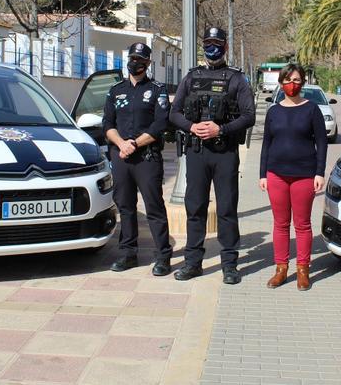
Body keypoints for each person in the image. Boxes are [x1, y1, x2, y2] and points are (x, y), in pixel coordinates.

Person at [169, 27, 256, 284]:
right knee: (195, 208)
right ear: (203, 45)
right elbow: (174, 113)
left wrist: (222, 128)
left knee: (227, 209)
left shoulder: (237, 79)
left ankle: (230, 265)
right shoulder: (191, 77)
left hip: (225, 152)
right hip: (197, 152)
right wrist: (191, 126)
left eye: (217, 43)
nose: (212, 48)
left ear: (225, 47)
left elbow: (249, 115)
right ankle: (193, 263)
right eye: (208, 43)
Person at [103, 42, 172, 276]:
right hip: (121, 156)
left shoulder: (157, 89)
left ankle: (163, 256)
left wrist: (134, 144)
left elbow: (160, 123)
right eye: (132, 58)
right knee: (126, 207)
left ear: (148, 63)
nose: (136, 63)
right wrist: (122, 144)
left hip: (147, 157)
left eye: (141, 59)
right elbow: (108, 125)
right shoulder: (115, 90)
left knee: (154, 207)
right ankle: (127, 253)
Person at [258, 63, 327, 291]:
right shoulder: (274, 111)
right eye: (288, 80)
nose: (292, 84)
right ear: (281, 83)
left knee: (303, 224)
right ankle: (280, 269)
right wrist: (262, 174)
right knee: (280, 223)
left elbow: (322, 143)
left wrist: (319, 172)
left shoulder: (312, 109)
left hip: (304, 175)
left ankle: (303, 270)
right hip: (276, 174)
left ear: (303, 83)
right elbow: (266, 143)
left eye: (297, 80)